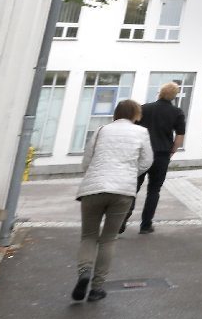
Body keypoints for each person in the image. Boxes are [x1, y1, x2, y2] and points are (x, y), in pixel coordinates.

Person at [74, 99, 152, 303]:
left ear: (116, 113)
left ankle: (84, 272)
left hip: (93, 189)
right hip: (122, 191)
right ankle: (97, 288)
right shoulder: (142, 132)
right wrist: (129, 173)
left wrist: (93, 173)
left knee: (88, 236)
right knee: (108, 239)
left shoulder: (101, 130)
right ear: (136, 114)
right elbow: (147, 161)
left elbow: (86, 161)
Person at [136, 82, 186, 233]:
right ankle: (146, 225)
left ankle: (121, 223)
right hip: (162, 155)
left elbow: (135, 129)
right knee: (154, 190)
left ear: (160, 93)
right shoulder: (177, 112)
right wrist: (171, 152)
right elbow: (180, 135)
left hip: (142, 153)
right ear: (174, 96)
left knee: (133, 187)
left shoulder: (144, 108)